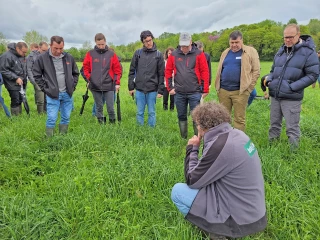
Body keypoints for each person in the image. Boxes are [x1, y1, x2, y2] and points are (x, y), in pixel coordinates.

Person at [171, 101, 267, 239]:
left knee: (178, 191)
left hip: (239, 219)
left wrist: (192, 149)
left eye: (197, 124)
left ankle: (218, 231)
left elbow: (192, 179)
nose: (196, 127)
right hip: (253, 210)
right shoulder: (238, 135)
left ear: (203, 126)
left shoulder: (220, 145)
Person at [265, 24, 319, 148]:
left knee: (292, 127)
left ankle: (293, 153)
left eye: (290, 37)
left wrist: (292, 87)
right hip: (275, 95)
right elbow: (273, 70)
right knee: (274, 124)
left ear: (298, 35)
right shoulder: (281, 51)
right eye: (285, 37)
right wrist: (270, 81)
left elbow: (313, 75)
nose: (287, 40)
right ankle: (272, 147)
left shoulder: (308, 52)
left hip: (292, 97)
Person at [33, 36, 79, 137]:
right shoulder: (42, 58)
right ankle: (49, 139)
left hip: (67, 93)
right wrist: (45, 88)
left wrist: (72, 86)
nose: (58, 51)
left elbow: (75, 73)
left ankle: (63, 136)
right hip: (52, 94)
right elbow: (36, 75)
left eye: (61, 48)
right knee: (51, 118)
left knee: (66, 116)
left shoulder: (69, 57)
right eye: (56, 48)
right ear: (50, 46)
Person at [165, 32, 209, 138]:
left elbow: (205, 71)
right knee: (181, 115)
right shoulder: (174, 55)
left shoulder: (199, 54)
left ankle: (197, 137)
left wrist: (205, 89)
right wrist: (169, 88)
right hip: (179, 92)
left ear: (190, 42)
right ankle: (183, 137)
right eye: (182, 45)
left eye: (186, 45)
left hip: (195, 92)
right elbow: (167, 71)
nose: (184, 48)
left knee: (196, 117)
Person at [215, 30, 260, 132]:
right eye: (232, 42)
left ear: (242, 41)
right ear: (229, 42)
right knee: (223, 118)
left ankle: (237, 141)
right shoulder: (225, 52)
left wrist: (249, 89)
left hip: (240, 92)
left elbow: (256, 71)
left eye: (237, 42)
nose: (234, 45)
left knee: (239, 119)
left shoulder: (250, 51)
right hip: (224, 91)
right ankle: (225, 139)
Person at [83, 33, 122, 124]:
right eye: (98, 44)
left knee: (110, 107)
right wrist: (90, 79)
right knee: (99, 106)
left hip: (109, 85)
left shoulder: (111, 54)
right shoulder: (90, 54)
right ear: (95, 43)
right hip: (95, 85)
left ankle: (112, 124)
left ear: (105, 42)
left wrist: (117, 83)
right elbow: (85, 68)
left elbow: (117, 69)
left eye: (102, 44)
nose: (101, 46)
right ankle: (101, 124)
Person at [128, 30, 164, 127]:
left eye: (150, 40)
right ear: (143, 42)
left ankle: (150, 131)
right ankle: (140, 130)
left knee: (151, 112)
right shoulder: (138, 53)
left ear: (152, 39)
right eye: (146, 41)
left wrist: (161, 90)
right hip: (139, 88)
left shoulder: (158, 55)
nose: (149, 43)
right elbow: (132, 70)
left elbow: (161, 74)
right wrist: (131, 87)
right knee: (140, 112)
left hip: (152, 89)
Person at [0, 42, 28, 116]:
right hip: (11, 83)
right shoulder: (6, 56)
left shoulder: (18, 55)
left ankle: (19, 116)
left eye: (25, 52)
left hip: (20, 82)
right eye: (23, 52)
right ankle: (15, 119)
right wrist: (15, 78)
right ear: (17, 48)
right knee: (15, 100)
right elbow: (3, 70)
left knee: (20, 99)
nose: (24, 54)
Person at [27, 42, 49, 114]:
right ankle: (40, 114)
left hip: (46, 80)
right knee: (40, 98)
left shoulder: (48, 55)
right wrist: (33, 81)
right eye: (43, 50)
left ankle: (46, 112)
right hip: (37, 80)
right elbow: (29, 69)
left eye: (46, 50)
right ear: (39, 48)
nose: (45, 52)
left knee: (47, 97)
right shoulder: (31, 56)